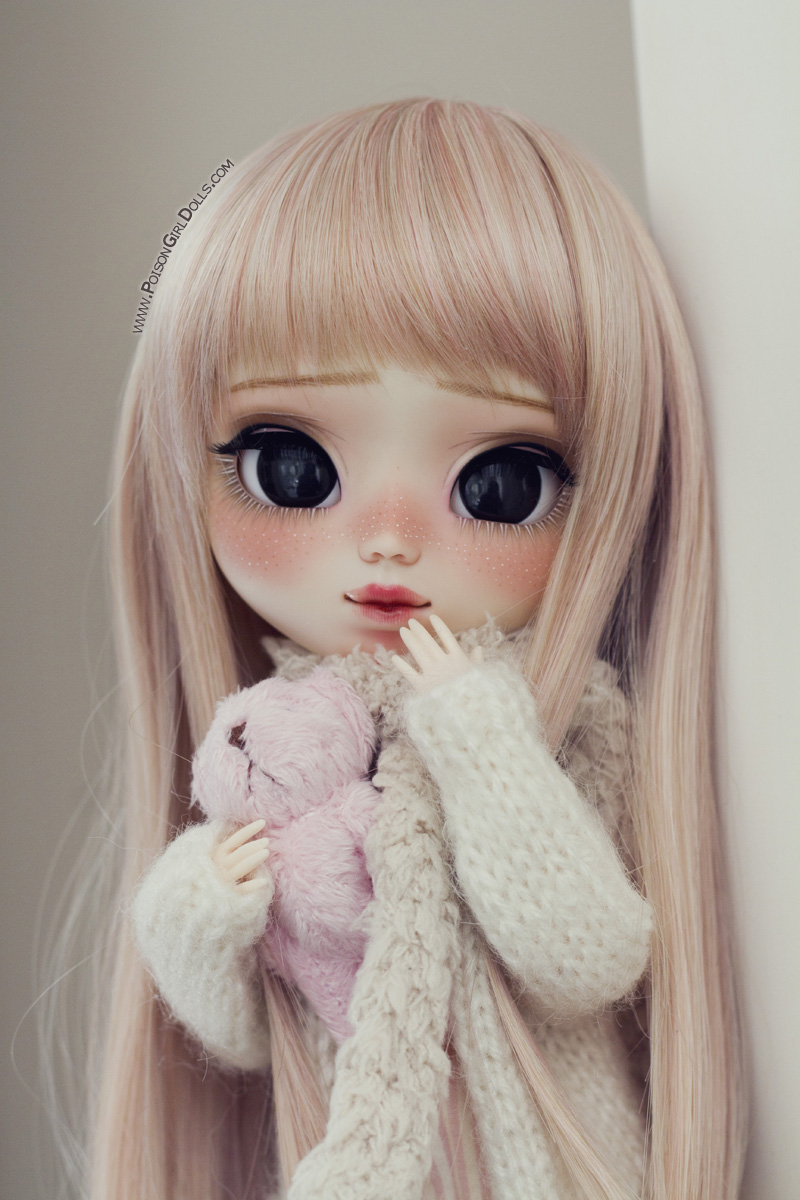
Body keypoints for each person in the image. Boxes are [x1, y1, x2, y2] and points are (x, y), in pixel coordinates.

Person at [87, 100, 744, 1199]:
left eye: (500, 484)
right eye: (291, 466)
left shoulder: (564, 726)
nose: (388, 539)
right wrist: (198, 905)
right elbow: (244, 1031)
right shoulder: (272, 751)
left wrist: (478, 735)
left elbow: (583, 953)